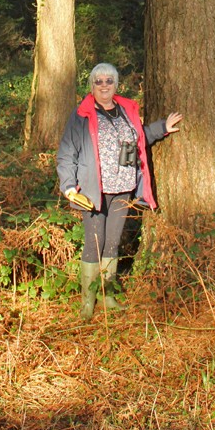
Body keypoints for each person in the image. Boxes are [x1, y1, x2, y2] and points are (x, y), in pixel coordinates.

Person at [56, 62, 182, 320]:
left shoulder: (126, 110)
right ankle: (87, 302)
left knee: (112, 243)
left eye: (109, 81)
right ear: (92, 85)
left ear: (116, 84)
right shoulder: (82, 114)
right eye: (99, 81)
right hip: (93, 191)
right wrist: (68, 186)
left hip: (123, 188)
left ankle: (107, 296)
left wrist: (162, 128)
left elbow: (138, 138)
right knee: (94, 243)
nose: (104, 86)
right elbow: (67, 152)